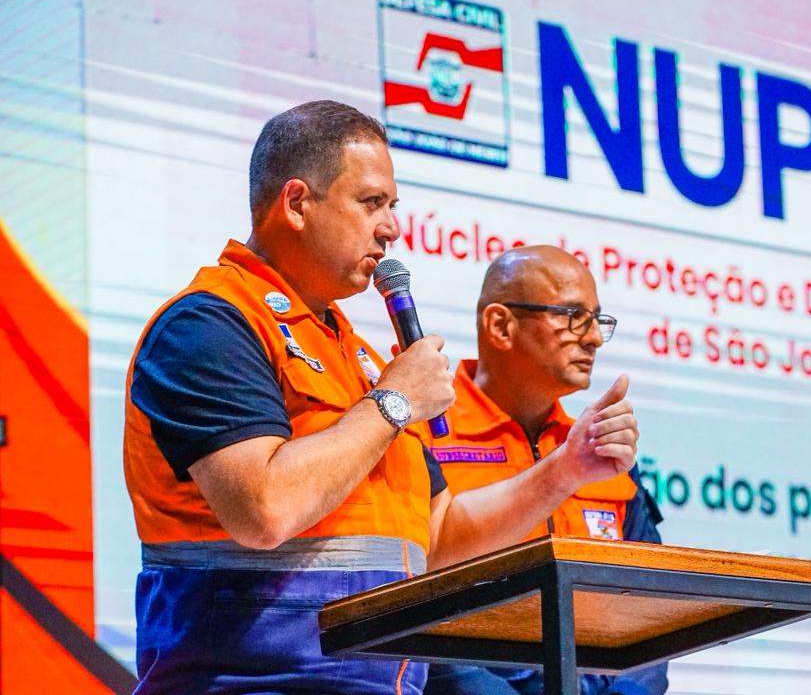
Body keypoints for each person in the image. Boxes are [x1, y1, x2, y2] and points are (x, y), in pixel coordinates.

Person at [122, 100, 638, 694]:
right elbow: (263, 509)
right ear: (296, 203)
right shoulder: (208, 326)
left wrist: (565, 469)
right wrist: (393, 401)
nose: (391, 228)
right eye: (372, 203)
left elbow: (440, 538)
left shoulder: (359, 356)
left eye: (393, 207)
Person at [423, 246, 668, 695]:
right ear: (501, 326)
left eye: (597, 319)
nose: (593, 338)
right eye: (573, 316)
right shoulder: (422, 435)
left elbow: (653, 601)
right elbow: (406, 606)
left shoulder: (601, 451)